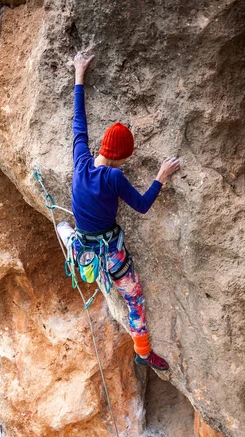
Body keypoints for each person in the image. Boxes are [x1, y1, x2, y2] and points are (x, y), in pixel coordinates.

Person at [57, 52, 180, 371]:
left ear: (101, 148)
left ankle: (71, 245)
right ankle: (143, 352)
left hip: (83, 246)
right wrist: (160, 178)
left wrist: (79, 74)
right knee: (134, 298)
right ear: (121, 158)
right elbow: (141, 205)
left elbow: (78, 122)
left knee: (61, 226)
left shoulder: (81, 159)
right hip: (112, 255)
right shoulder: (114, 177)